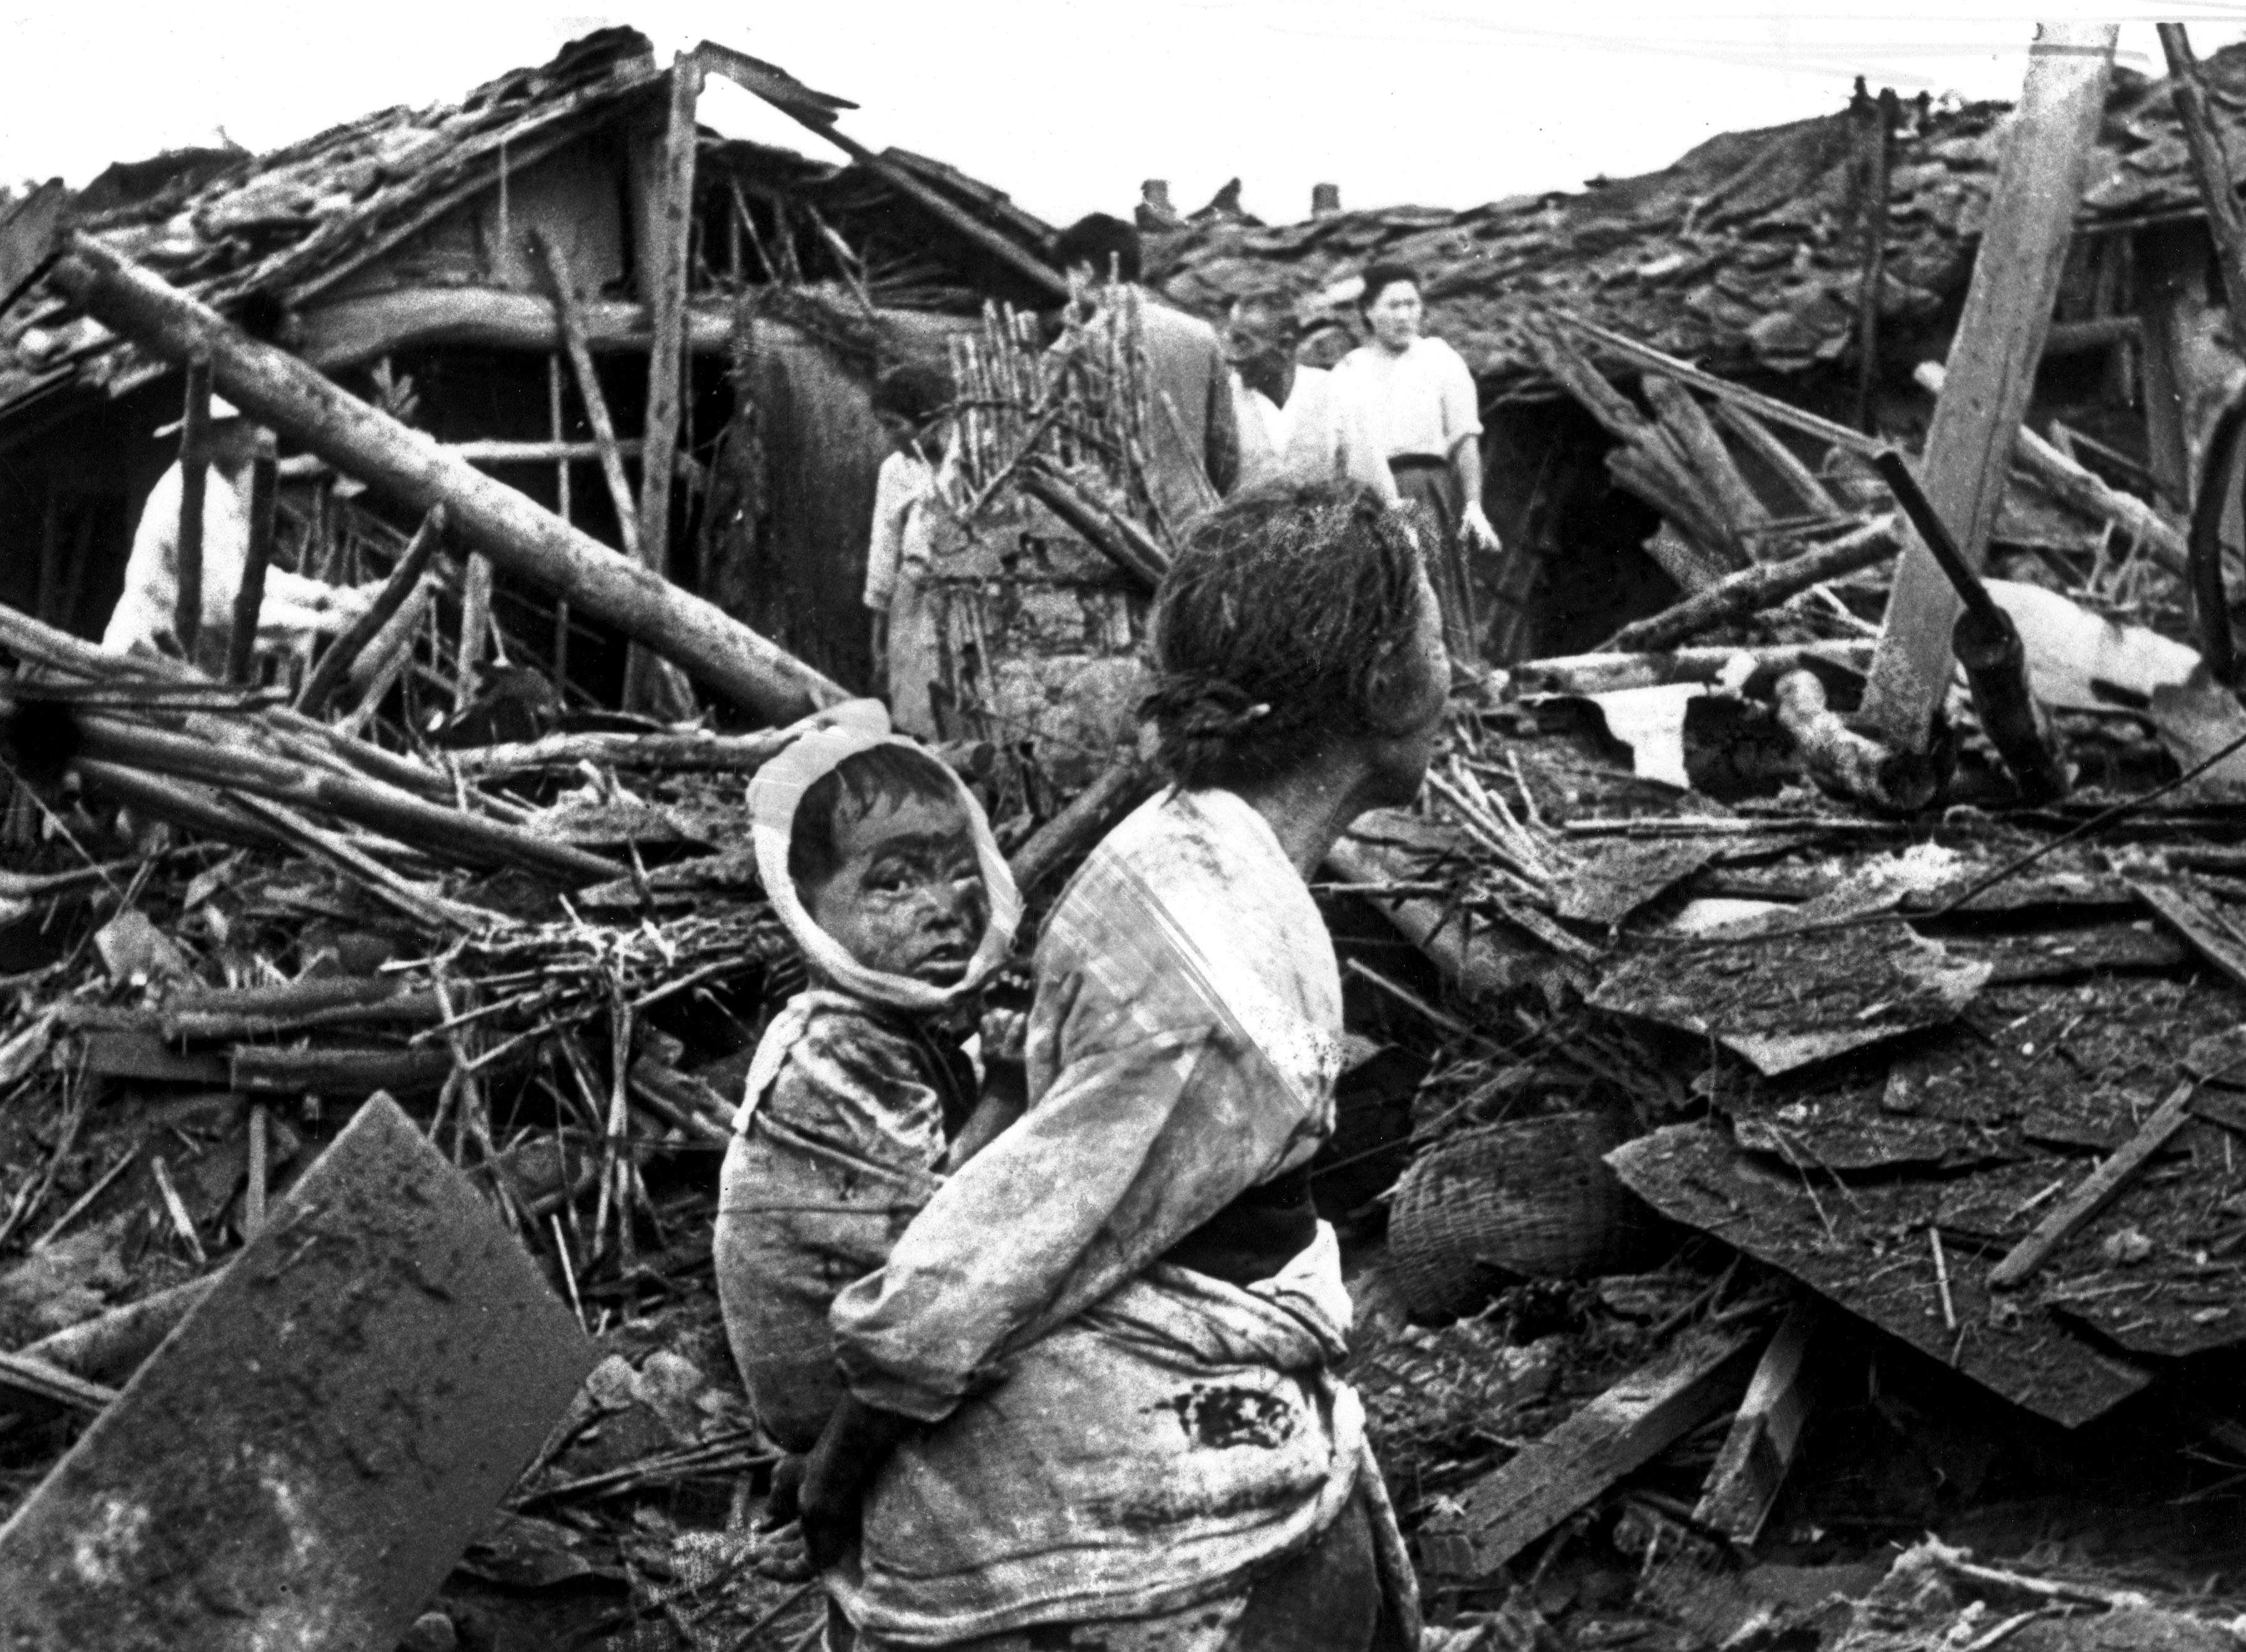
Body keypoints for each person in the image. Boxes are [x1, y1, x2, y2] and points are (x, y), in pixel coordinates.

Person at [801, 481, 1446, 1651]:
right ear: (1388, 682)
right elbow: (977, 1261)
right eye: (1437, 627)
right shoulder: (1221, 984)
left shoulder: (1180, 844)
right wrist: (842, 1458)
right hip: (1105, 1526)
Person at [714, 713, 1023, 1456]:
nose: (944, 905)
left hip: (865, 1371)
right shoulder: (833, 1048)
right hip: (838, 1405)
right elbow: (943, 1234)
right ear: (807, 907)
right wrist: (1010, 1092)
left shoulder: (887, 1026)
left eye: (958, 870)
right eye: (895, 882)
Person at [105, 399, 375, 668]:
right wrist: (320, 623)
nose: (258, 437)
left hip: (176, 658)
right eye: (250, 426)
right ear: (219, 432)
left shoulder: (220, 488)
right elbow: (225, 608)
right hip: (143, 658)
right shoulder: (194, 496)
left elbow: (250, 575)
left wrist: (324, 596)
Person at [1329, 263, 1500, 662]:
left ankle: (1458, 675)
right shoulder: (1349, 371)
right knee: (1385, 593)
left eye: (1412, 305)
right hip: (1370, 495)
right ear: (1369, 311)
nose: (1406, 316)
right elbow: (1339, 451)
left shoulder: (1440, 359)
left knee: (1436, 586)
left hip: (1429, 490)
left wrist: (1473, 503)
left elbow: (1464, 438)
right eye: (1393, 305)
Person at [1049, 213, 1240, 540]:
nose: (1069, 285)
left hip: (1117, 531)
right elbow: (1226, 447)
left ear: (1084, 270)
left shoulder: (1074, 349)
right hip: (1194, 522)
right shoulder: (1200, 334)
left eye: (1069, 273)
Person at [863, 363, 958, 741]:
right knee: (916, 704)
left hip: (961, 596)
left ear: (929, 421)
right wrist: (877, 635)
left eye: (895, 425)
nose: (889, 437)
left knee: (960, 698)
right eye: (883, 425)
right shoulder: (894, 471)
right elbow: (883, 553)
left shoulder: (966, 460)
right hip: (913, 603)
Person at [1223, 290, 1382, 491]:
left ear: (1285, 344)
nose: (1231, 356)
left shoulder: (1335, 391)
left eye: (1243, 342)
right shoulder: (1224, 402)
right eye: (1230, 340)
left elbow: (1373, 482)